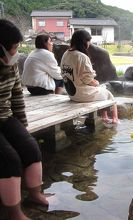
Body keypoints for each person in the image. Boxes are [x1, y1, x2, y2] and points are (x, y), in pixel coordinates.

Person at [0, 19, 48, 220]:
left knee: (30, 147)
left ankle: (36, 194)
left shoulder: (10, 65)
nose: (16, 52)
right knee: (9, 160)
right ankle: (14, 212)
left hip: (4, 115)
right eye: (13, 48)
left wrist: (23, 126)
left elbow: (17, 95)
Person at [60, 30, 118, 124]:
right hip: (81, 94)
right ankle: (115, 119)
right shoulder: (81, 56)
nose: (89, 44)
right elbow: (87, 79)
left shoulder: (66, 54)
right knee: (108, 93)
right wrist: (95, 83)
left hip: (71, 93)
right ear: (83, 42)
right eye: (88, 41)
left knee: (101, 89)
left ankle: (105, 116)